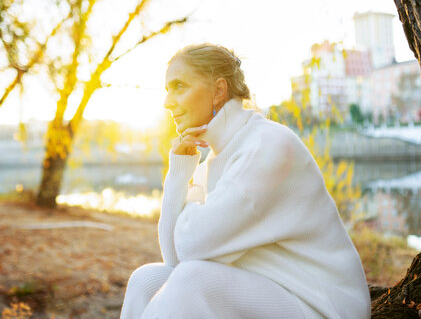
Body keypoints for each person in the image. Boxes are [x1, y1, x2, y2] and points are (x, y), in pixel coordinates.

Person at [120, 43, 371, 318]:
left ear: (218, 90)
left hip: (323, 306)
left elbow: (191, 248)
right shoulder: (214, 159)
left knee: (193, 279)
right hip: (271, 290)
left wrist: (190, 201)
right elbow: (175, 258)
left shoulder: (266, 146)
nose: (167, 101)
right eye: (168, 89)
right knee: (146, 280)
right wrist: (181, 169)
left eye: (179, 86)